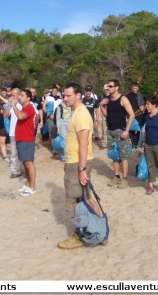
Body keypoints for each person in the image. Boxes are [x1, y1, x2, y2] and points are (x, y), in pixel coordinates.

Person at [57, 83, 106, 250]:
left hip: (78, 162)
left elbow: (84, 144)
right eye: (64, 95)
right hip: (74, 161)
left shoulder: (81, 115)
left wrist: (81, 169)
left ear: (78, 95)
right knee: (86, 197)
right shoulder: (77, 112)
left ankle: (80, 234)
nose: (65, 98)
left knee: (76, 200)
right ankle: (101, 231)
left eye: (68, 95)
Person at [99, 79, 135, 189]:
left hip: (121, 130)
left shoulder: (123, 99)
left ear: (117, 87)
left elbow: (132, 115)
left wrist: (127, 130)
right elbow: (106, 115)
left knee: (123, 156)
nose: (108, 88)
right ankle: (116, 176)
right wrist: (101, 105)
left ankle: (125, 179)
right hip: (110, 130)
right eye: (107, 87)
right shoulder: (107, 100)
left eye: (110, 86)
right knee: (114, 155)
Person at [11, 89, 37, 196]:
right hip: (22, 139)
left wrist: (14, 106)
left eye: (22, 95)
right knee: (25, 164)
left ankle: (32, 187)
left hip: (27, 140)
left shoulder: (30, 108)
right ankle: (27, 183)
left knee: (29, 164)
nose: (19, 97)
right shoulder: (25, 108)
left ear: (28, 98)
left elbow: (21, 116)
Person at [4, 88, 23, 178]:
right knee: (14, 153)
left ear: (19, 95)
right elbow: (5, 115)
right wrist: (9, 104)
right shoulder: (10, 105)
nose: (12, 97)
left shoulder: (23, 104)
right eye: (11, 95)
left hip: (22, 132)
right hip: (13, 133)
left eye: (14, 95)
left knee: (23, 152)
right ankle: (15, 171)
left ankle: (25, 170)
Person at [126, 82, 145, 146]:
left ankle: (139, 143)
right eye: (133, 88)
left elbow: (143, 103)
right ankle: (134, 144)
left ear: (138, 88)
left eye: (136, 88)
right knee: (132, 130)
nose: (134, 89)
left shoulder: (140, 95)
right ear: (131, 88)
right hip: (131, 115)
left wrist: (142, 107)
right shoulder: (128, 96)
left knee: (140, 129)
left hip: (139, 115)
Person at [99, 84, 110, 148]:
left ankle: (111, 142)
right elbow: (97, 105)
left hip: (111, 113)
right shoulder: (102, 97)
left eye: (108, 89)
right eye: (105, 90)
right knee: (104, 128)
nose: (107, 91)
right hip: (104, 114)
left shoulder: (112, 96)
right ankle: (104, 142)